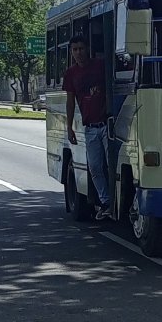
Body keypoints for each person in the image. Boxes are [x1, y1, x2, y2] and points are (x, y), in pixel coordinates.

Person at [62, 34, 111, 220]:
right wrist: (69, 127)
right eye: (74, 49)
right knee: (95, 167)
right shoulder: (71, 74)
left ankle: (112, 201)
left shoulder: (100, 66)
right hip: (89, 127)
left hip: (107, 124)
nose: (78, 52)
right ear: (71, 52)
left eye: (81, 48)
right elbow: (70, 102)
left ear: (87, 49)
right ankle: (105, 201)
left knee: (110, 164)